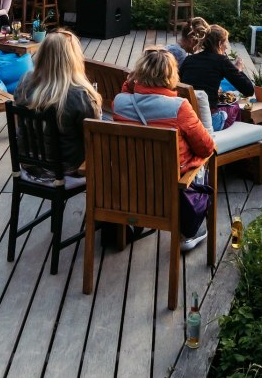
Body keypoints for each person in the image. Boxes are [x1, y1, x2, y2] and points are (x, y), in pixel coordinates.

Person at [112, 48, 216, 251]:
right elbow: (207, 148)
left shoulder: (119, 103)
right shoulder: (179, 107)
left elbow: (126, 93)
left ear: (138, 73)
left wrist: (130, 82)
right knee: (203, 161)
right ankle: (190, 230)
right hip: (169, 190)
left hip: (130, 186)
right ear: (171, 75)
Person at [15, 30, 102, 173]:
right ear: (72, 57)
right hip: (67, 168)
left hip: (28, 162)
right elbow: (94, 138)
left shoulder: (25, 81)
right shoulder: (78, 95)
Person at [180, 25, 254, 119]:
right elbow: (248, 90)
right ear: (219, 44)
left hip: (186, 115)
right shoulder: (221, 60)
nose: (227, 47)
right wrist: (238, 69)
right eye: (226, 42)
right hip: (208, 118)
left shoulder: (189, 59)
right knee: (236, 107)